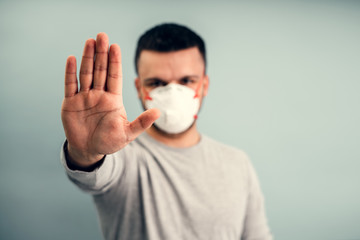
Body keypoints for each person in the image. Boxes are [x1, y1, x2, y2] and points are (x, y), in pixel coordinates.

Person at [60, 23, 272, 240]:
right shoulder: (121, 156)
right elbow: (95, 176)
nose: (173, 93)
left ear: (204, 85)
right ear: (139, 88)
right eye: (157, 83)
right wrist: (86, 153)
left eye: (187, 81)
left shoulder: (237, 163)